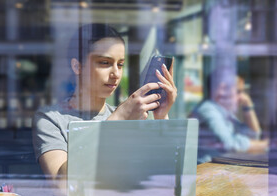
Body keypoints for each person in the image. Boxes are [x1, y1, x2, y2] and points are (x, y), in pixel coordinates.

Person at [32, 23, 177, 181]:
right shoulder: (51, 119)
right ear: (77, 66)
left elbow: (162, 174)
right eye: (105, 63)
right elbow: (62, 185)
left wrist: (162, 117)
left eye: (120, 65)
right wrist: (118, 120)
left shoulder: (127, 116)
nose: (116, 73)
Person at [191, 74, 269, 164]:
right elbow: (229, 144)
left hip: (220, 170)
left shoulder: (225, 113)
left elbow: (253, 135)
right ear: (222, 90)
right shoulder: (207, 109)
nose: (242, 97)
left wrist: (248, 106)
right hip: (206, 172)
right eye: (238, 92)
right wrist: (266, 145)